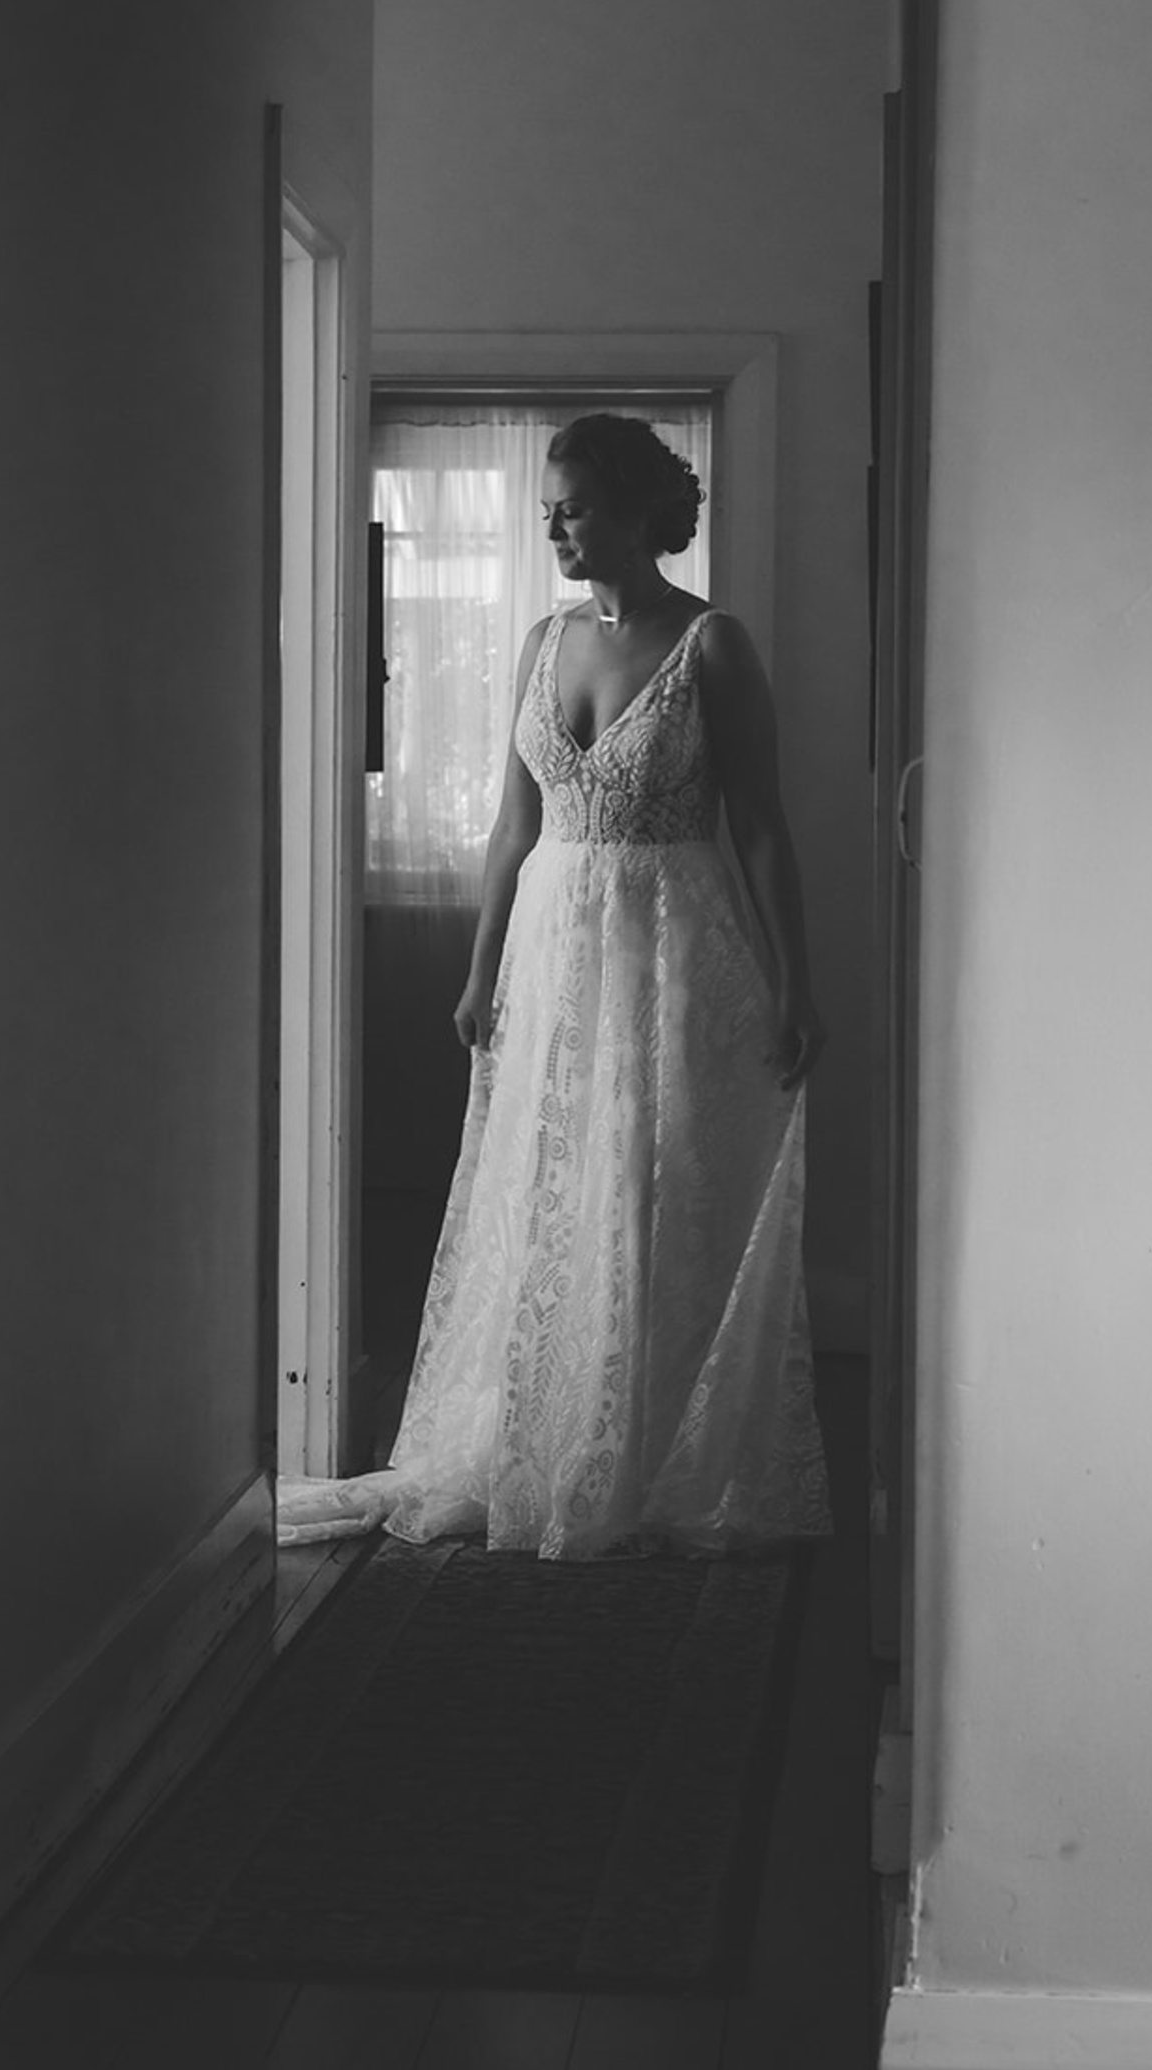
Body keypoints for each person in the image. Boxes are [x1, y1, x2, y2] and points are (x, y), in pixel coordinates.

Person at [280, 412, 831, 1557]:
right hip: (548, 945)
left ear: (635, 511)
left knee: (648, 1182)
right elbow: (509, 825)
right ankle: (534, 1428)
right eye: (546, 505)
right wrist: (480, 968)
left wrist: (792, 981)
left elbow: (764, 827)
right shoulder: (540, 640)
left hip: (674, 944)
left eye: (571, 504)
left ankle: (631, 1445)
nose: (552, 526)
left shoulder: (712, 644)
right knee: (543, 1180)